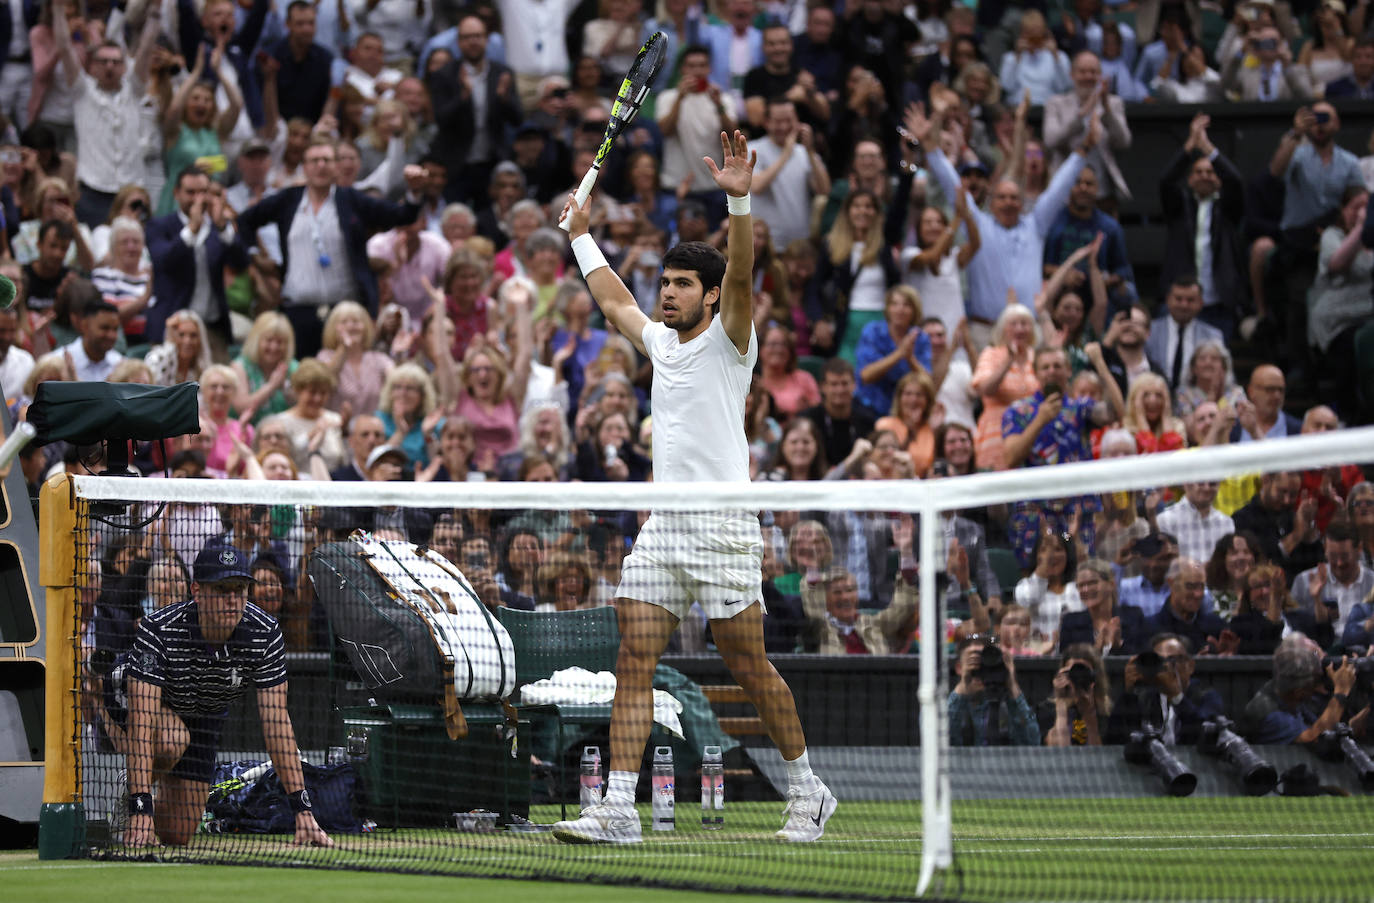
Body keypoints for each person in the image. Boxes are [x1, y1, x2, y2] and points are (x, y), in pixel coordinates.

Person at [553, 130, 834, 844]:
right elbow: (614, 301)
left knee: (748, 664)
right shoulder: (658, 342)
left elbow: (741, 274)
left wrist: (739, 197)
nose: (667, 293)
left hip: (724, 529)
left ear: (709, 295)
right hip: (664, 530)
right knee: (633, 658)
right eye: (666, 284)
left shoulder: (732, 338)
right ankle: (618, 807)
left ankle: (808, 789)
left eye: (681, 285)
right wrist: (583, 239)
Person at [121, 538, 332, 848]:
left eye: (239, 590)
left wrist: (302, 810)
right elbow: (142, 721)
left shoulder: (265, 632)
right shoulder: (159, 629)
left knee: (177, 835)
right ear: (197, 591)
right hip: (140, 705)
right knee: (172, 740)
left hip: (204, 715)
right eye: (222, 591)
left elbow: (277, 724)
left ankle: (144, 803)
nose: (233, 600)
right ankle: (134, 798)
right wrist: (140, 809)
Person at [909, 101, 1092, 350]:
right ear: (991, 203)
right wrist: (930, 146)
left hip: (1028, 329)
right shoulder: (978, 224)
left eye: (1014, 198)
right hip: (985, 331)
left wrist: (1085, 148)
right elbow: (953, 186)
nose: (1008, 202)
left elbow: (1059, 187)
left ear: (1022, 203)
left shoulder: (1035, 225)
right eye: (1002, 197)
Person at [235, 138, 428, 358]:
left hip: (344, 311)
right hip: (298, 310)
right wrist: (254, 255)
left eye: (326, 160)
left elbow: (401, 215)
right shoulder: (288, 200)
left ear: (336, 166)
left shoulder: (351, 200)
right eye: (314, 160)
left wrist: (414, 193)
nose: (321, 166)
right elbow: (244, 222)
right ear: (304, 167)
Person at [425, 12, 522, 206]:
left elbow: (517, 119)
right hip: (456, 164)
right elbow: (441, 120)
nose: (473, 42)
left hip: (490, 162)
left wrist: (504, 98)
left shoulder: (501, 73)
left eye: (478, 36)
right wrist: (462, 98)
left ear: (486, 39)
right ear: (459, 42)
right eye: (467, 37)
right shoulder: (444, 75)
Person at [146, 167, 247, 349]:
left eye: (203, 192)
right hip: (173, 327)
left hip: (212, 328)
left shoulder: (218, 228)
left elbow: (240, 263)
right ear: (176, 193)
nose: (198, 199)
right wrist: (192, 229)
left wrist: (224, 228)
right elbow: (164, 262)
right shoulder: (160, 226)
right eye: (190, 192)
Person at [1239, 634, 1365, 744]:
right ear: (1299, 691)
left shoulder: (1284, 690)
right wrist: (1341, 692)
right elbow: (1314, 737)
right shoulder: (1272, 715)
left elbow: (1320, 724)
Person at [1043, 52, 1132, 206]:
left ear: (1100, 75)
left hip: (1103, 194)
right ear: (1072, 75)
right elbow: (1051, 140)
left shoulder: (1113, 103)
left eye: (1093, 72)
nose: (1088, 77)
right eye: (1082, 72)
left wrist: (1106, 110)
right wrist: (1082, 113)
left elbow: (1124, 142)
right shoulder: (1056, 103)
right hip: (1065, 195)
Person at [1107, 633, 1226, 745]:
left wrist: (1177, 697)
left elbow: (1206, 734)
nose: (1167, 667)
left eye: (1173, 660)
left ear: (1190, 666)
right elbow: (1114, 740)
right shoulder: (1146, 698)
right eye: (1160, 661)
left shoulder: (1206, 696)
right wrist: (1129, 694)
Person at [801, 566, 918, 655]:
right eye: (837, 592)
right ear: (825, 599)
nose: (845, 597)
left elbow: (902, 607)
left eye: (850, 590)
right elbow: (812, 605)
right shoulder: (821, 628)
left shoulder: (874, 624)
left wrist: (906, 554)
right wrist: (812, 568)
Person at [948, 634, 1040, 746]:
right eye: (972, 661)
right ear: (959, 668)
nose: (979, 668)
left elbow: (1032, 741)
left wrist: (1012, 684)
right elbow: (939, 739)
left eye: (983, 662)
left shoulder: (1009, 706)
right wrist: (963, 685)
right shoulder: (950, 706)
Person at [1289, 520, 1374, 638]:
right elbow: (1293, 629)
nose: (1339, 563)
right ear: (1325, 549)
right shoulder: (1304, 581)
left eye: (1344, 556)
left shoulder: (1372, 582)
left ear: (1359, 549)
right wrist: (1316, 600)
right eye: (1333, 556)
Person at [1145, 278, 1224, 396]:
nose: (1184, 305)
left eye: (1190, 300)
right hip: (1154, 398)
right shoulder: (1150, 330)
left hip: (1197, 402)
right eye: (1178, 299)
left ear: (1201, 303)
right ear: (1168, 300)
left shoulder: (1213, 335)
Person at [1147, 558, 1235, 656]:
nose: (1198, 594)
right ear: (1171, 583)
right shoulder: (1148, 629)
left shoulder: (1217, 628)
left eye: (1201, 586)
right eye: (1190, 586)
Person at [1058, 557, 1144, 656]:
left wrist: (1118, 645)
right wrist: (1095, 649)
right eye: (1081, 585)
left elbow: (1144, 660)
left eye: (1092, 583)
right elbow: (1066, 661)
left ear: (1111, 584)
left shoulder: (1133, 617)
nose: (1086, 589)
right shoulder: (1070, 623)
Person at [799, 357, 875, 467]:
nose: (840, 390)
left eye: (844, 383)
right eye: (834, 384)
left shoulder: (866, 420)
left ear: (854, 385)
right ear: (822, 387)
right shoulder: (808, 420)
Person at [1042, 643, 1111, 746]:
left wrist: (1089, 715)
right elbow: (1058, 754)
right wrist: (1061, 706)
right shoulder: (1047, 709)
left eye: (1084, 673)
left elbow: (1098, 756)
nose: (1078, 678)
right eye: (1072, 673)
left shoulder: (1107, 712)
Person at [1157, 481, 1235, 567]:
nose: (1207, 488)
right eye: (1200, 483)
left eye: (1212, 483)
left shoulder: (1226, 522)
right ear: (1186, 484)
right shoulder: (1165, 520)